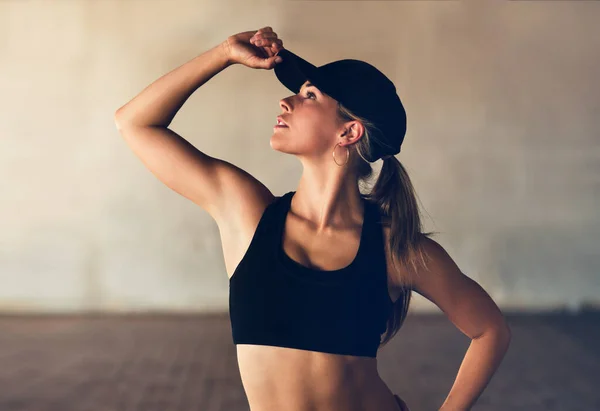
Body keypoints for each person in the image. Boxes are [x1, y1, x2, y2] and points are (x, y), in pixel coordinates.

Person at [115, 26, 511, 411]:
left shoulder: (395, 248)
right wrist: (222, 55)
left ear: (349, 132)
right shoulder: (248, 214)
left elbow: (490, 331)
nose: (286, 102)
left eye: (309, 95)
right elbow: (135, 122)